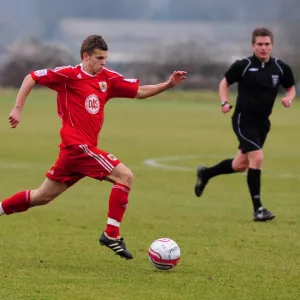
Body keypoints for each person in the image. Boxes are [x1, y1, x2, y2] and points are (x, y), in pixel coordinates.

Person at [0, 35, 187, 260]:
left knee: (41, 197)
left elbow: (139, 91)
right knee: (125, 177)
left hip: (75, 154)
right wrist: (17, 108)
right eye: (99, 58)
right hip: (77, 147)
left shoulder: (107, 78)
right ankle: (111, 235)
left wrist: (168, 84)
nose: (103, 63)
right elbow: (31, 77)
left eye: (105, 59)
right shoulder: (68, 75)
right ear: (85, 56)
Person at [194, 28, 296, 222]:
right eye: (259, 44)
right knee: (257, 157)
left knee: (240, 165)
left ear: (271, 45)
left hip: (263, 124)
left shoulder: (281, 68)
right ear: (253, 45)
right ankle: (258, 209)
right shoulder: (244, 65)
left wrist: (288, 99)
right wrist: (224, 102)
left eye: (267, 44)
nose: (263, 48)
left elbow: (290, 88)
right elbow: (224, 83)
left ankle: (206, 173)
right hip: (243, 120)